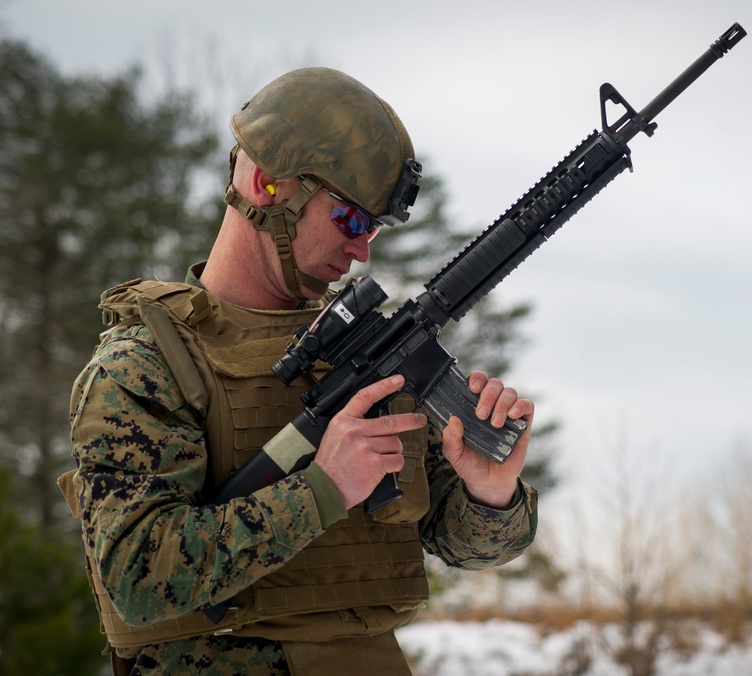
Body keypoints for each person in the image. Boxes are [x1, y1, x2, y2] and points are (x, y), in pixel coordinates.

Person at [59, 67, 538, 675]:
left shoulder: (358, 355)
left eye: (374, 229)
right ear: (267, 186)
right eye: (352, 220)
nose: (363, 249)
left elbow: (466, 543)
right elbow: (140, 578)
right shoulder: (144, 365)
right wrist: (325, 488)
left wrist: (489, 493)